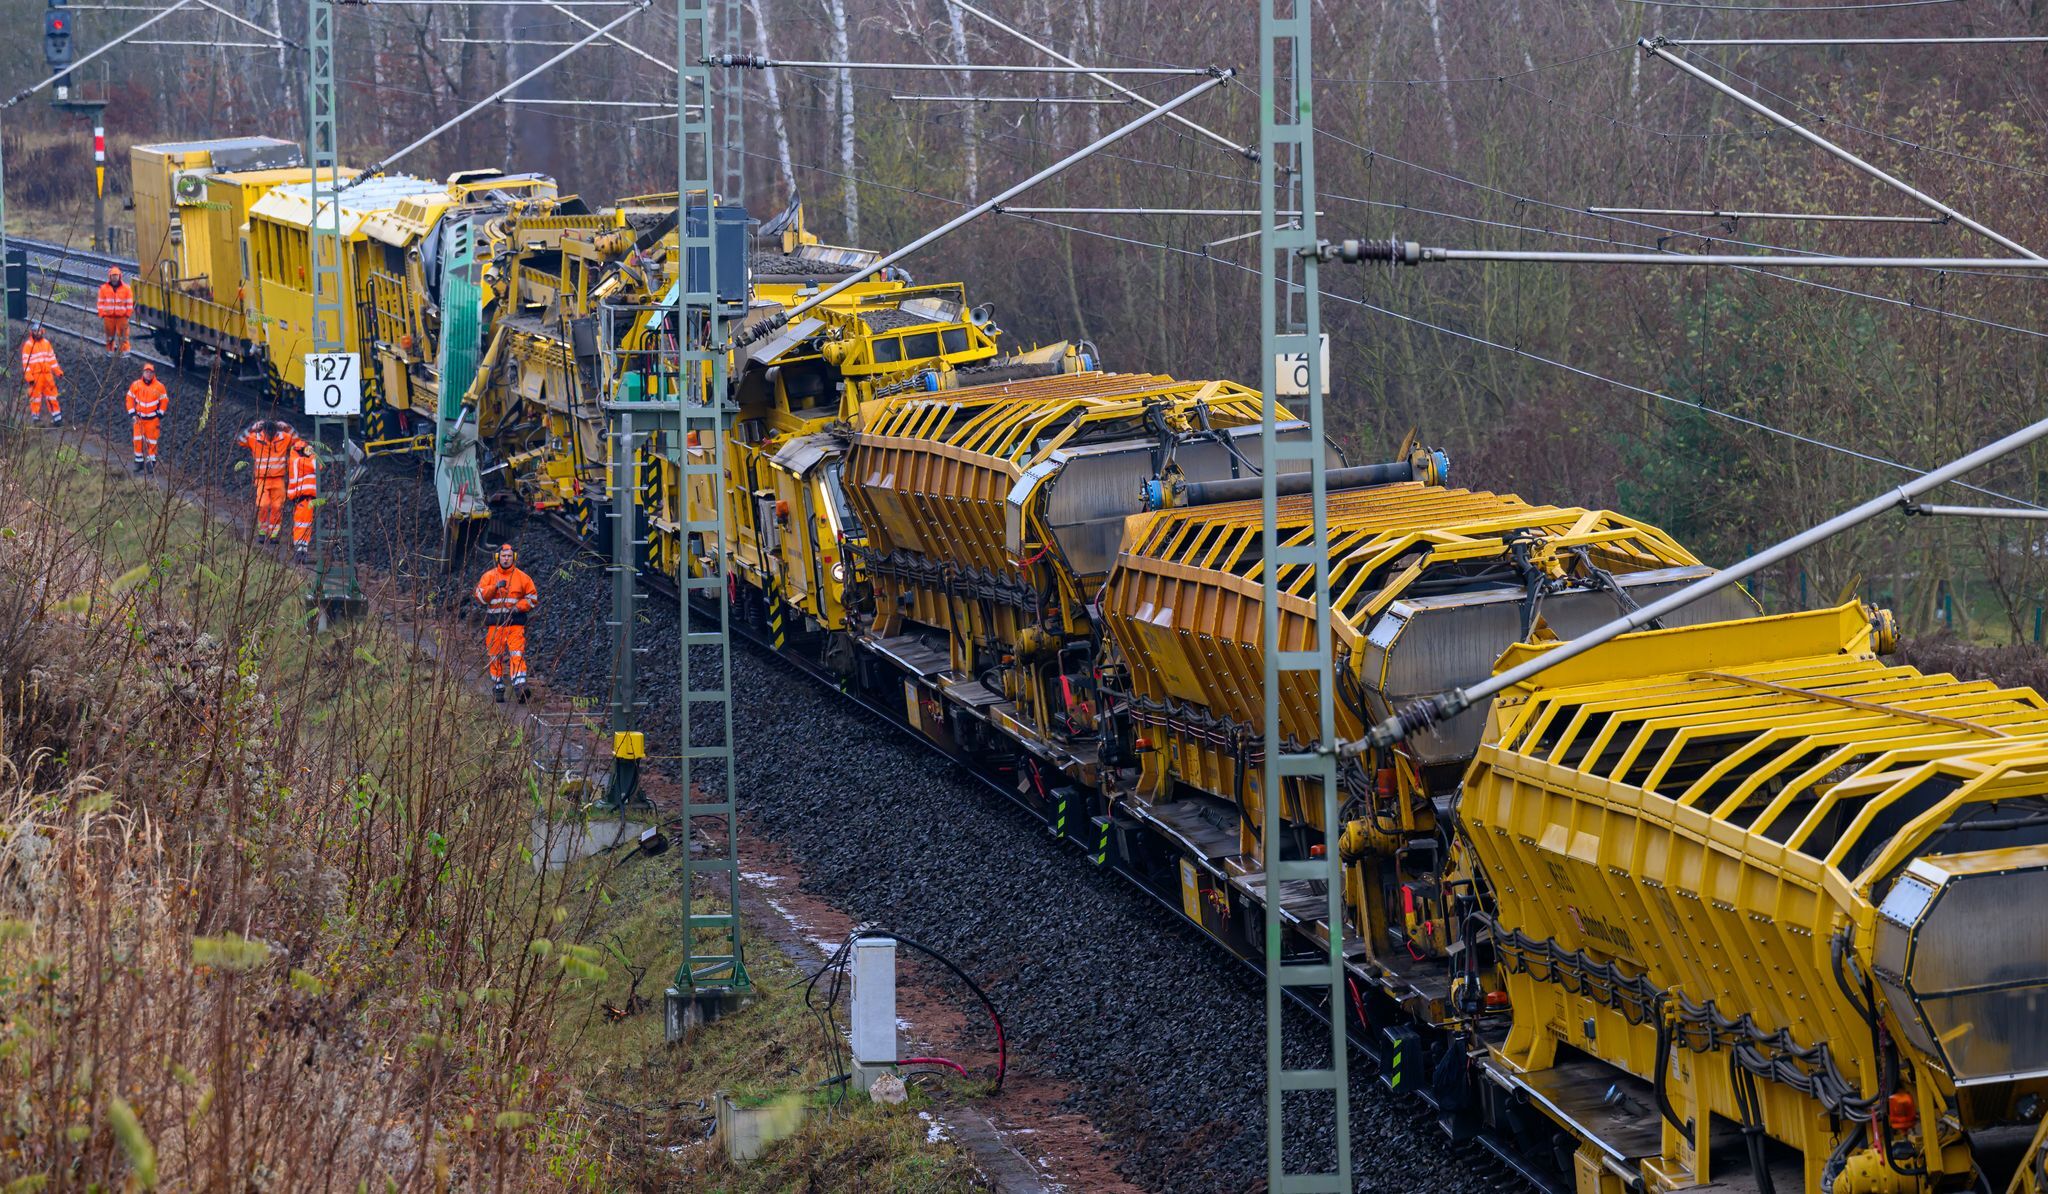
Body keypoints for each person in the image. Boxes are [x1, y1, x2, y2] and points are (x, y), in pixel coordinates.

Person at [473, 543, 538, 703]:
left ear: (514, 558)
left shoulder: (523, 578)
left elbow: (532, 598)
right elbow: (480, 598)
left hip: (515, 624)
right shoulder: (489, 577)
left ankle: (520, 687)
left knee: (517, 654)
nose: (506, 559)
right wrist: (494, 587)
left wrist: (519, 607)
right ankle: (498, 687)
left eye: (509, 556)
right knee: (495, 656)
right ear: (498, 558)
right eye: (503, 556)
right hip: (495, 626)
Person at [236, 419, 301, 541]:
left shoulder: (284, 438)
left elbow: (298, 441)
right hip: (262, 480)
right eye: (268, 433)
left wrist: (287, 427)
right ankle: (262, 532)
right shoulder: (255, 438)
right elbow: (240, 441)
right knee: (263, 505)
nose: (270, 435)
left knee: (277, 506)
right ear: (263, 431)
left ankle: (274, 535)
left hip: (278, 479)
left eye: (272, 433)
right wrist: (252, 428)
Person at [125, 362, 168, 473]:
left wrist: (160, 413)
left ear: (153, 374)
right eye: (146, 372)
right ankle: (138, 462)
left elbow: (164, 400)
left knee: (152, 441)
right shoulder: (136, 385)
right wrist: (132, 414)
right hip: (138, 419)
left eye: (150, 372)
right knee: (137, 440)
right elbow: (129, 399)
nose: (148, 374)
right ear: (143, 373)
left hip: (152, 419)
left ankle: (151, 463)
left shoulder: (159, 387)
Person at [19, 324, 62, 426]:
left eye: (39, 331)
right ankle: (36, 419)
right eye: (35, 331)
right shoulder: (28, 345)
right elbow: (25, 363)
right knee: (35, 398)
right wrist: (29, 377)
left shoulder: (46, 343)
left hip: (47, 375)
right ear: (32, 332)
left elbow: (52, 359)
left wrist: (58, 372)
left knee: (52, 397)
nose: (37, 333)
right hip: (35, 377)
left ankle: (57, 419)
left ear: (42, 331)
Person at [285, 438, 318, 561]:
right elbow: (318, 465)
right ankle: (300, 552)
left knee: (304, 524)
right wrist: (312, 454)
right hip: (303, 498)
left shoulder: (296, 460)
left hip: (304, 498)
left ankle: (302, 551)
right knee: (302, 524)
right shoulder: (300, 461)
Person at [97, 266, 134, 355]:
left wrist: (128, 314)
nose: (114, 277)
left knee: (123, 336)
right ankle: (110, 351)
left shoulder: (126, 289)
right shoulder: (103, 288)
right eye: (113, 275)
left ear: (119, 276)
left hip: (122, 317)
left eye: (116, 275)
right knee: (109, 336)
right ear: (110, 276)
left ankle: (125, 352)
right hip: (108, 317)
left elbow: (129, 303)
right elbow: (100, 302)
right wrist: (102, 313)